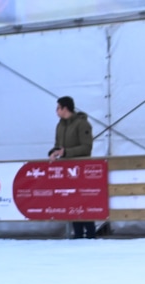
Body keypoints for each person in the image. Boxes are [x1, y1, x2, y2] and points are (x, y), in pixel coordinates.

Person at [48, 96, 97, 238]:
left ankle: (90, 232)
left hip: (81, 169)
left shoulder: (82, 124)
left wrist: (67, 152)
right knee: (72, 200)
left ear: (65, 108)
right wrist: (54, 152)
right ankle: (78, 232)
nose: (56, 111)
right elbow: (58, 145)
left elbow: (87, 147)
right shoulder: (60, 125)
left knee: (84, 199)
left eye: (58, 107)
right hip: (66, 169)